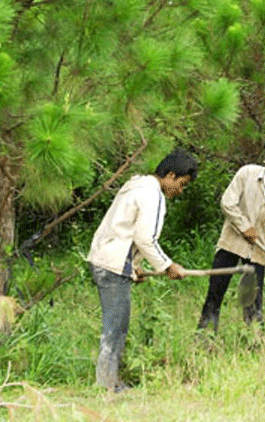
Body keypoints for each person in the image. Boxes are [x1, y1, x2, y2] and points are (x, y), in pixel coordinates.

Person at [86, 148, 198, 393]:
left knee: (115, 325)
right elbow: (145, 238)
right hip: (111, 265)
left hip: (104, 259)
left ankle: (109, 381)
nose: (180, 190)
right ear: (170, 175)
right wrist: (168, 266)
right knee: (115, 328)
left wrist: (133, 268)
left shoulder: (136, 185)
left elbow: (123, 230)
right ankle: (107, 386)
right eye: (181, 184)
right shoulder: (153, 194)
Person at [197, 145, 265, 331]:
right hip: (231, 244)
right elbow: (227, 203)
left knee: (252, 301)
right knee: (215, 293)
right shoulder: (247, 174)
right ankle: (204, 338)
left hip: (258, 252)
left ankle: (253, 341)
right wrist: (244, 227)